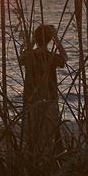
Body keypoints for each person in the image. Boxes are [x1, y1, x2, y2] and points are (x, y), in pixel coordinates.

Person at [18, 23, 68, 152]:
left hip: (30, 100)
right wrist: (56, 38)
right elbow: (64, 58)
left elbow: (21, 59)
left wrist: (33, 40)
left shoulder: (29, 56)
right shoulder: (51, 57)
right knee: (50, 134)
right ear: (50, 40)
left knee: (32, 135)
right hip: (49, 99)